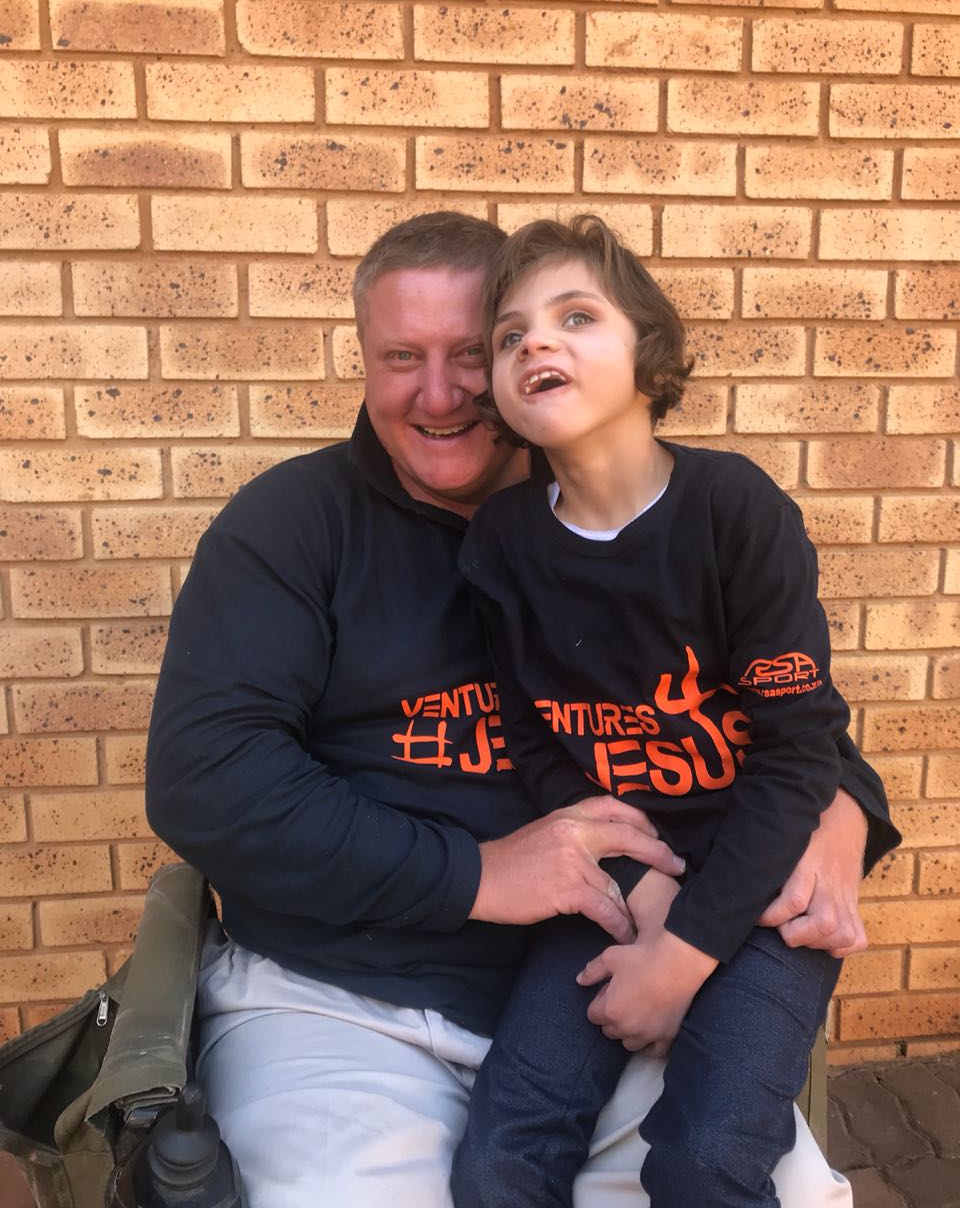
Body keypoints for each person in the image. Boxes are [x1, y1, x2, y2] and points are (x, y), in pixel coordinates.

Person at [145, 212, 898, 1208]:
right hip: (348, 1000)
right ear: (363, 360)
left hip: (614, 975)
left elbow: (775, 720)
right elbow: (207, 781)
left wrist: (847, 811)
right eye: (402, 357)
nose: (439, 392)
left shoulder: (637, 513)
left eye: (470, 352)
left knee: (778, 1188)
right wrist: (479, 872)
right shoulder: (291, 527)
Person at [452, 215, 900, 1208]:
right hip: (620, 878)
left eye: (576, 316)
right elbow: (530, 735)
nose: (536, 342)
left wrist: (683, 954)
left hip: (763, 881)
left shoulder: (733, 509)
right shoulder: (503, 544)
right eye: (510, 335)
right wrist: (636, 877)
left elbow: (798, 753)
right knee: (497, 1163)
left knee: (703, 1160)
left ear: (646, 352)